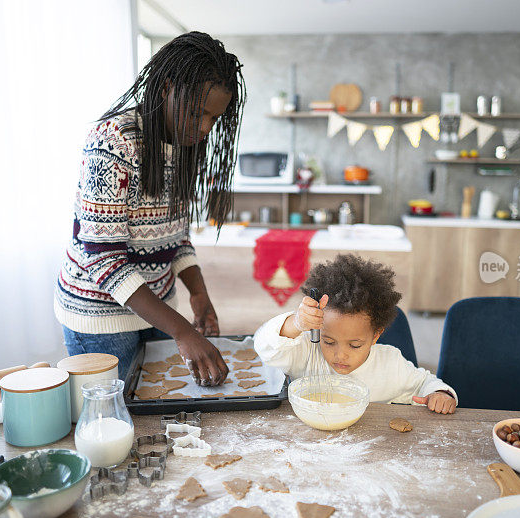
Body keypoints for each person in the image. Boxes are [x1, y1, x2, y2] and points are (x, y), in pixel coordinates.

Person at [54, 32, 246, 385]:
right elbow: (103, 259)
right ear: (165, 88)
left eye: (214, 119)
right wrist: (184, 332)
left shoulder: (186, 144)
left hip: (156, 312)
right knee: (117, 423)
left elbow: (174, 235)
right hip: (101, 318)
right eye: (197, 113)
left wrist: (198, 293)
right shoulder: (114, 140)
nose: (204, 128)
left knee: (157, 421)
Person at [254, 254, 458, 413]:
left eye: (355, 345)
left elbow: (425, 383)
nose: (340, 355)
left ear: (376, 335)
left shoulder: (390, 364)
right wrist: (296, 324)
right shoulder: (305, 350)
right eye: (329, 341)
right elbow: (265, 348)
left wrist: (439, 394)